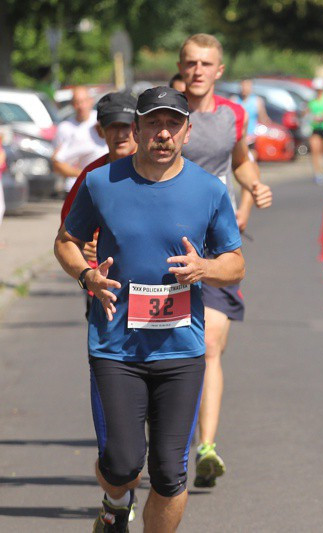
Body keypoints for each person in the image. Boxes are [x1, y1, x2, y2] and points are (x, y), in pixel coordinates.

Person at [54, 86, 244, 533]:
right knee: (122, 464)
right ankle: (115, 503)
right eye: (153, 123)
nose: (163, 133)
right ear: (136, 129)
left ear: (187, 131)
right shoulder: (102, 182)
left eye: (173, 124)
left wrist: (205, 268)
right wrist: (86, 275)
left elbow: (235, 264)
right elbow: (65, 243)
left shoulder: (209, 189)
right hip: (116, 347)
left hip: (181, 350)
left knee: (169, 472)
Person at [177, 32, 272, 489]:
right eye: (191, 63)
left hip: (216, 240)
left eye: (206, 63)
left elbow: (241, 160)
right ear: (182, 67)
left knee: (212, 343)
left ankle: (207, 446)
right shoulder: (164, 110)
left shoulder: (232, 114)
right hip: (168, 240)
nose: (198, 70)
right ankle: (167, 436)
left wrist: (254, 184)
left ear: (219, 71)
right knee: (170, 345)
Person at [60, 91, 138, 318]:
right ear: (100, 131)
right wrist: (84, 252)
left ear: (138, 128)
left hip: (153, 290)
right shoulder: (91, 176)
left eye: (127, 126)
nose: (121, 134)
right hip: (104, 287)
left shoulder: (157, 170)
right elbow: (66, 237)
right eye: (113, 126)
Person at [52, 86, 108, 193]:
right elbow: (57, 163)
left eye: (83, 101)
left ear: (91, 101)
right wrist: (83, 174)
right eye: (77, 102)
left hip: (104, 184)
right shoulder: (65, 128)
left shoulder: (101, 120)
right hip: (77, 187)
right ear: (72, 105)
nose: (81, 106)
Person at [233, 79, 270, 160]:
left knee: (251, 160)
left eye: (247, 86)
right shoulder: (234, 100)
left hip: (252, 137)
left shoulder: (257, 101)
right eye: (243, 86)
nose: (245, 88)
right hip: (238, 138)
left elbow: (263, 118)